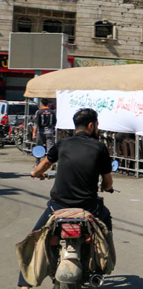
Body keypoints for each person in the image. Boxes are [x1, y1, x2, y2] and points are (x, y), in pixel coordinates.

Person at [19, 108, 113, 289]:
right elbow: (107, 181)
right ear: (92, 126)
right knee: (106, 225)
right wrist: (106, 187)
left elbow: (44, 165)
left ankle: (24, 285)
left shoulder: (62, 144)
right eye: (97, 125)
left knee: (35, 237)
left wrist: (34, 173)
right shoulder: (100, 147)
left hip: (58, 207)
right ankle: (101, 267)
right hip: (89, 208)